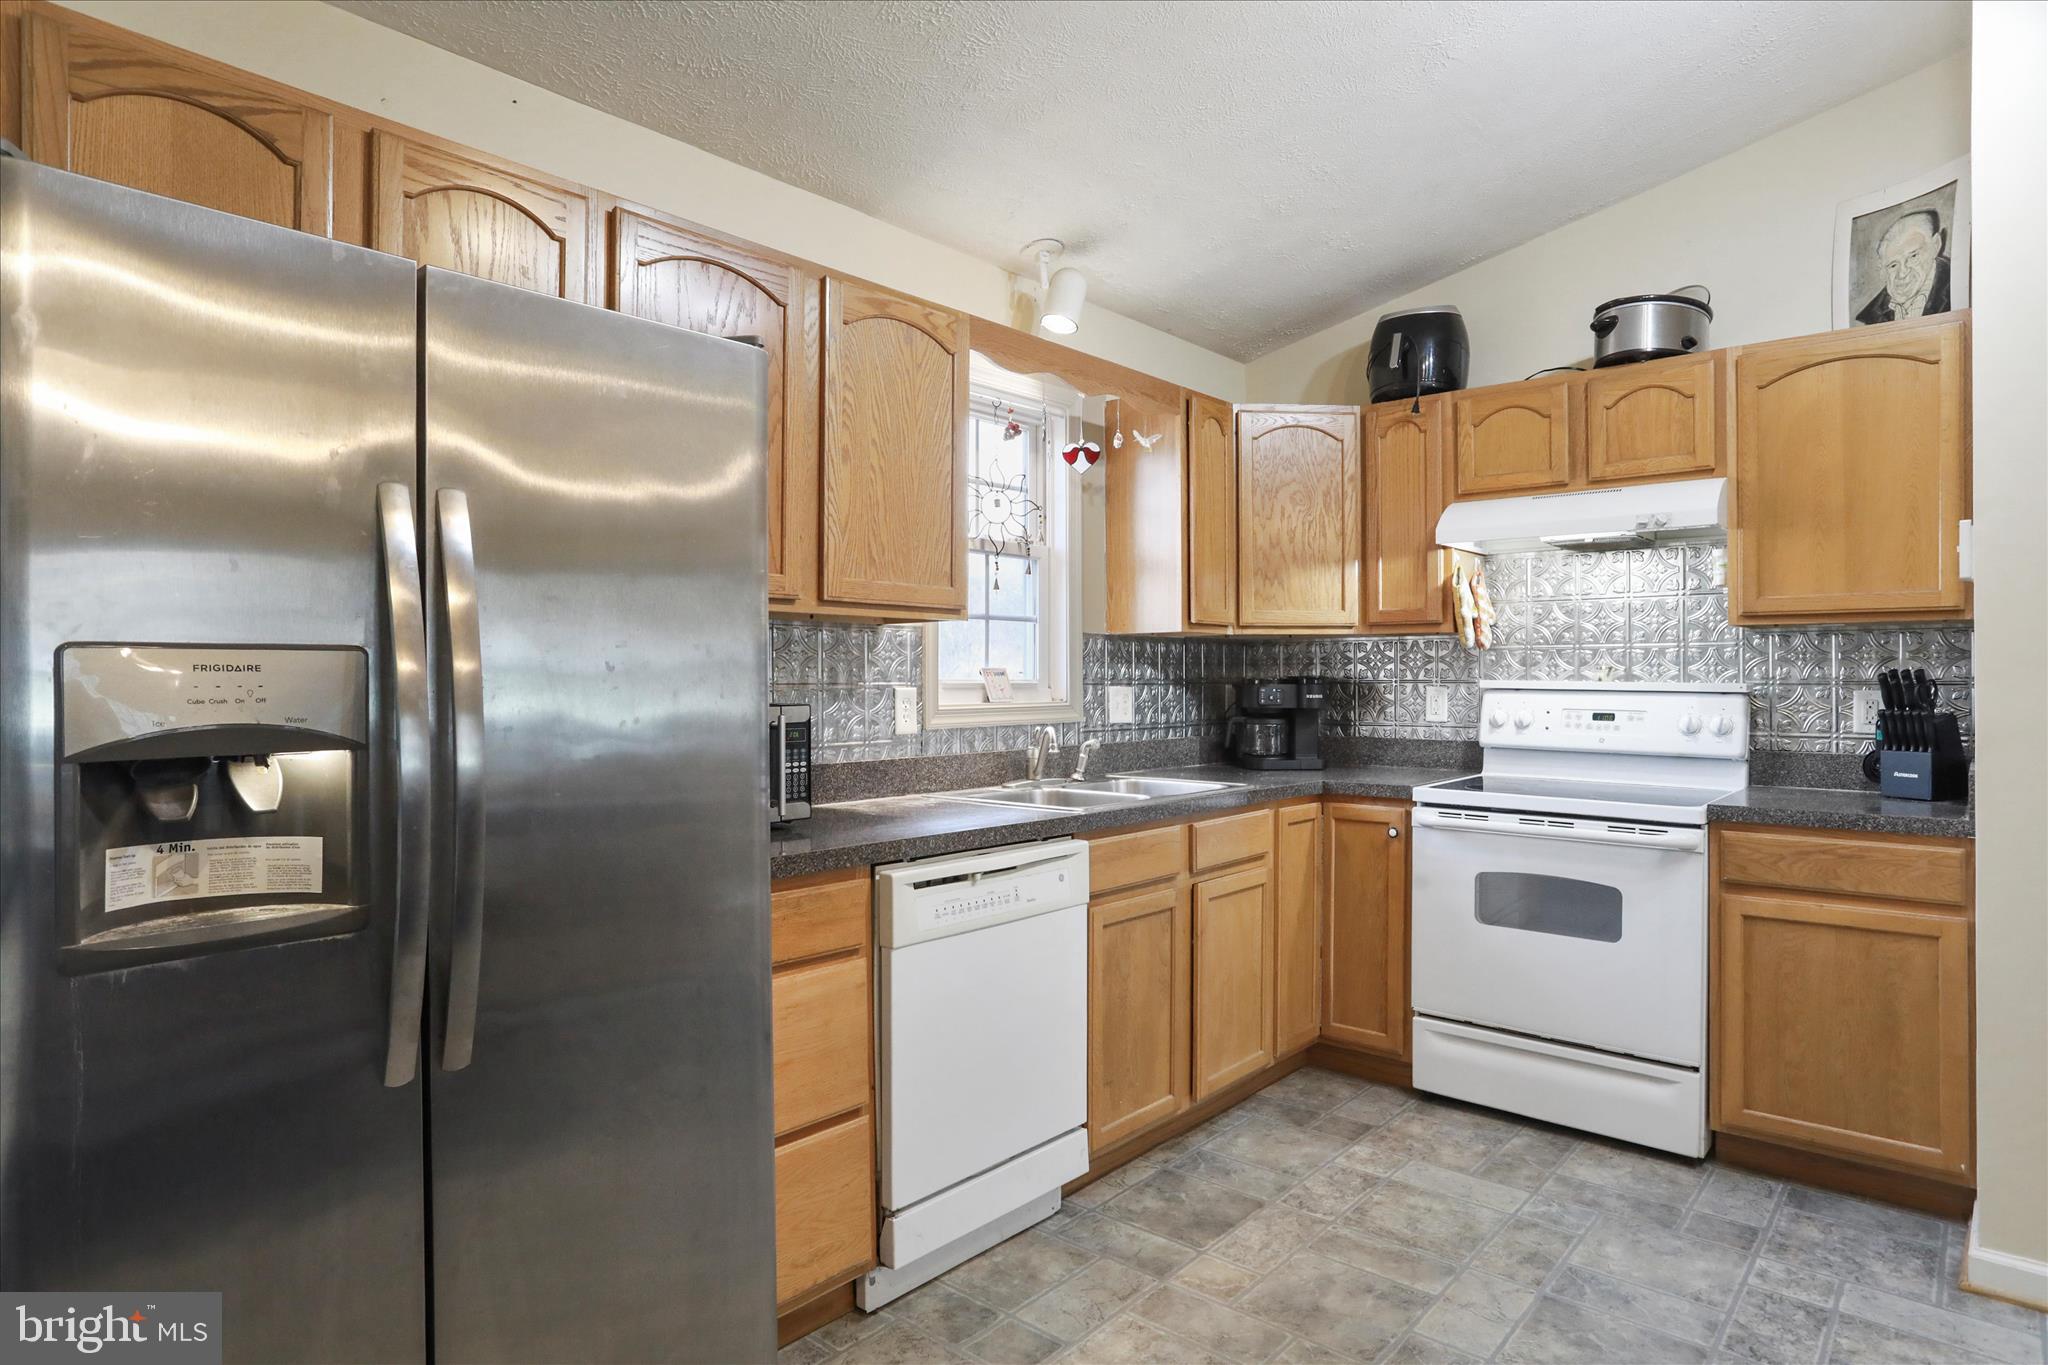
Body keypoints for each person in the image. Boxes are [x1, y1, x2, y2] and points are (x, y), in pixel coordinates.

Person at [1856, 208, 1952, 324]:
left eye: (1913, 256)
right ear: (1882, 270)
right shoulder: (1872, 315)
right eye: (1893, 265)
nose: (1902, 274)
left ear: (1936, 245)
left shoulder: (1957, 287)